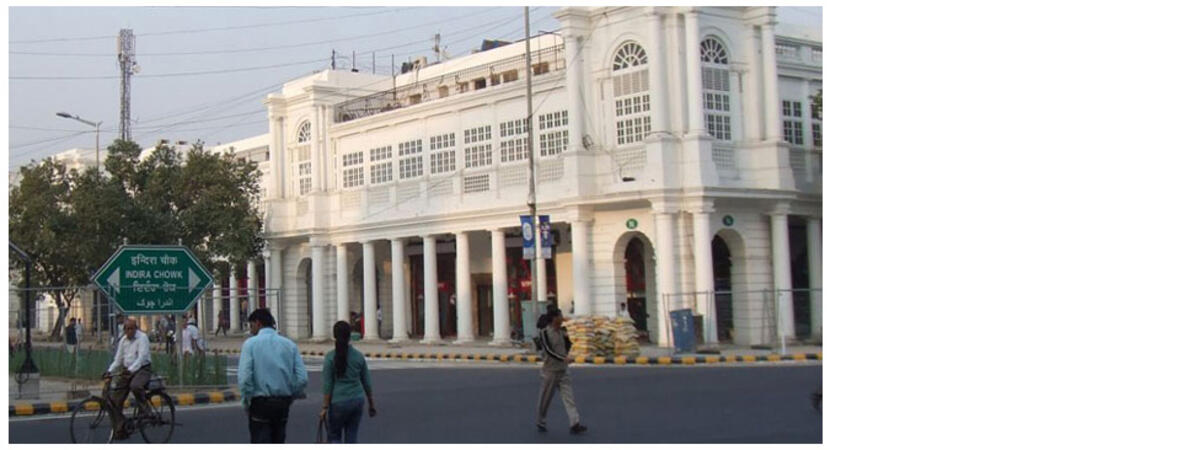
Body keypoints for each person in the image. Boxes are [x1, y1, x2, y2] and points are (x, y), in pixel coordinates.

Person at [238, 308, 308, 443]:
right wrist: (292, 395)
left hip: (260, 403)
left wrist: (246, 401)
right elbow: (302, 379)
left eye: (251, 326)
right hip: (282, 403)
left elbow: (245, 378)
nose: (251, 331)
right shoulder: (289, 345)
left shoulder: (250, 344)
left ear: (258, 323)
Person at [321, 321, 377, 443]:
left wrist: (325, 407)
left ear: (334, 336)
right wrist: (371, 404)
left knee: (334, 436)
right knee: (352, 435)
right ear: (350, 335)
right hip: (357, 400)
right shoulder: (358, 356)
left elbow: (328, 385)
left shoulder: (330, 357)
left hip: (338, 402)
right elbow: (366, 382)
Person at [535, 305, 587, 434]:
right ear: (554, 318)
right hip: (550, 371)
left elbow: (568, 344)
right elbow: (548, 350)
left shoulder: (563, 331)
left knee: (569, 398)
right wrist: (563, 358)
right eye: (559, 316)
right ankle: (540, 420)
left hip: (563, 370)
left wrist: (567, 355)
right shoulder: (544, 333)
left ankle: (574, 423)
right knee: (545, 399)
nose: (562, 318)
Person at [104, 318, 153, 440]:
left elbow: (141, 358)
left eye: (131, 328)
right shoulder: (123, 340)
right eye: (126, 329)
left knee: (135, 386)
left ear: (135, 328)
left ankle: (145, 409)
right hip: (127, 370)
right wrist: (109, 371)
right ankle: (120, 426)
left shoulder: (142, 338)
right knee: (114, 400)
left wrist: (131, 370)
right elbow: (118, 359)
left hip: (142, 369)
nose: (129, 331)